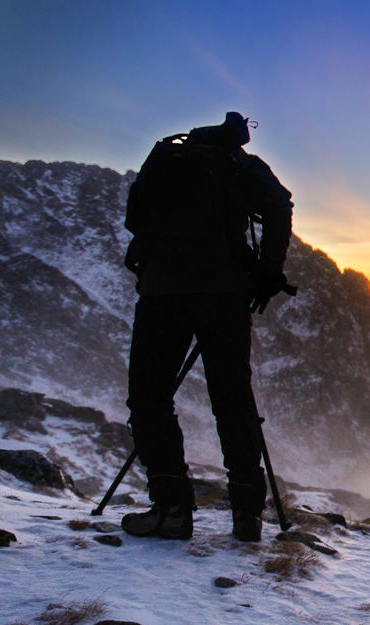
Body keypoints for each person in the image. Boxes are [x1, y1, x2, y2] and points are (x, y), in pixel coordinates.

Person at [120, 112, 293, 542]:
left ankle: (171, 508)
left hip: (162, 291)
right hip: (225, 293)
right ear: (237, 138)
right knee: (232, 399)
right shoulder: (239, 165)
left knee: (149, 397)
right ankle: (247, 516)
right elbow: (279, 206)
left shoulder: (164, 158)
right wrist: (268, 273)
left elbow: (135, 218)